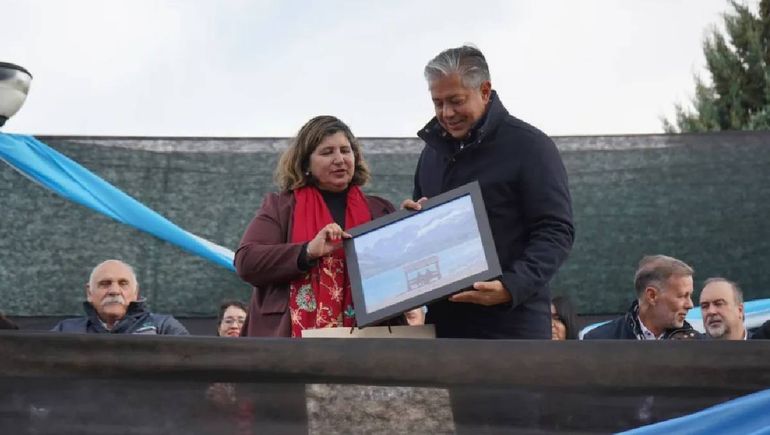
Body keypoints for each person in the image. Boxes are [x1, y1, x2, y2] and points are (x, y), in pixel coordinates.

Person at [402, 45, 574, 339]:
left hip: (514, 327)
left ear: (484, 90)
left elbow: (556, 230)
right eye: (437, 103)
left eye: (456, 101)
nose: (446, 113)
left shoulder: (530, 146)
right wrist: (414, 222)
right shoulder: (430, 156)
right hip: (447, 328)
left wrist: (511, 286)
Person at [234, 115, 397, 337]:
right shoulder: (281, 206)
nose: (339, 159)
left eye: (345, 150)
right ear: (305, 163)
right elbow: (246, 261)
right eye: (327, 152)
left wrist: (415, 220)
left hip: (369, 341)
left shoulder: (380, 209)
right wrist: (307, 251)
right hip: (292, 345)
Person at [52, 259, 189, 335]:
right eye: (105, 284)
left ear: (136, 292)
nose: (114, 291)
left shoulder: (163, 328)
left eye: (123, 284)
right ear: (89, 293)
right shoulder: (66, 330)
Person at [584, 255, 699, 340]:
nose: (690, 305)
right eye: (682, 296)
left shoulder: (698, 345)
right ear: (652, 296)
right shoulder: (599, 340)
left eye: (689, 296)